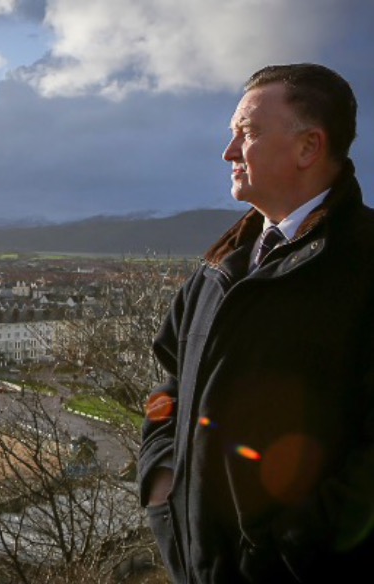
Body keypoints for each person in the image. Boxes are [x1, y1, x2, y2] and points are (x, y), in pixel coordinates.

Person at [138, 63, 374, 583]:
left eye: (246, 133)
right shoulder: (220, 265)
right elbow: (168, 381)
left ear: (309, 147)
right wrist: (160, 482)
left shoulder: (363, 266)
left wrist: (292, 550)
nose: (228, 152)